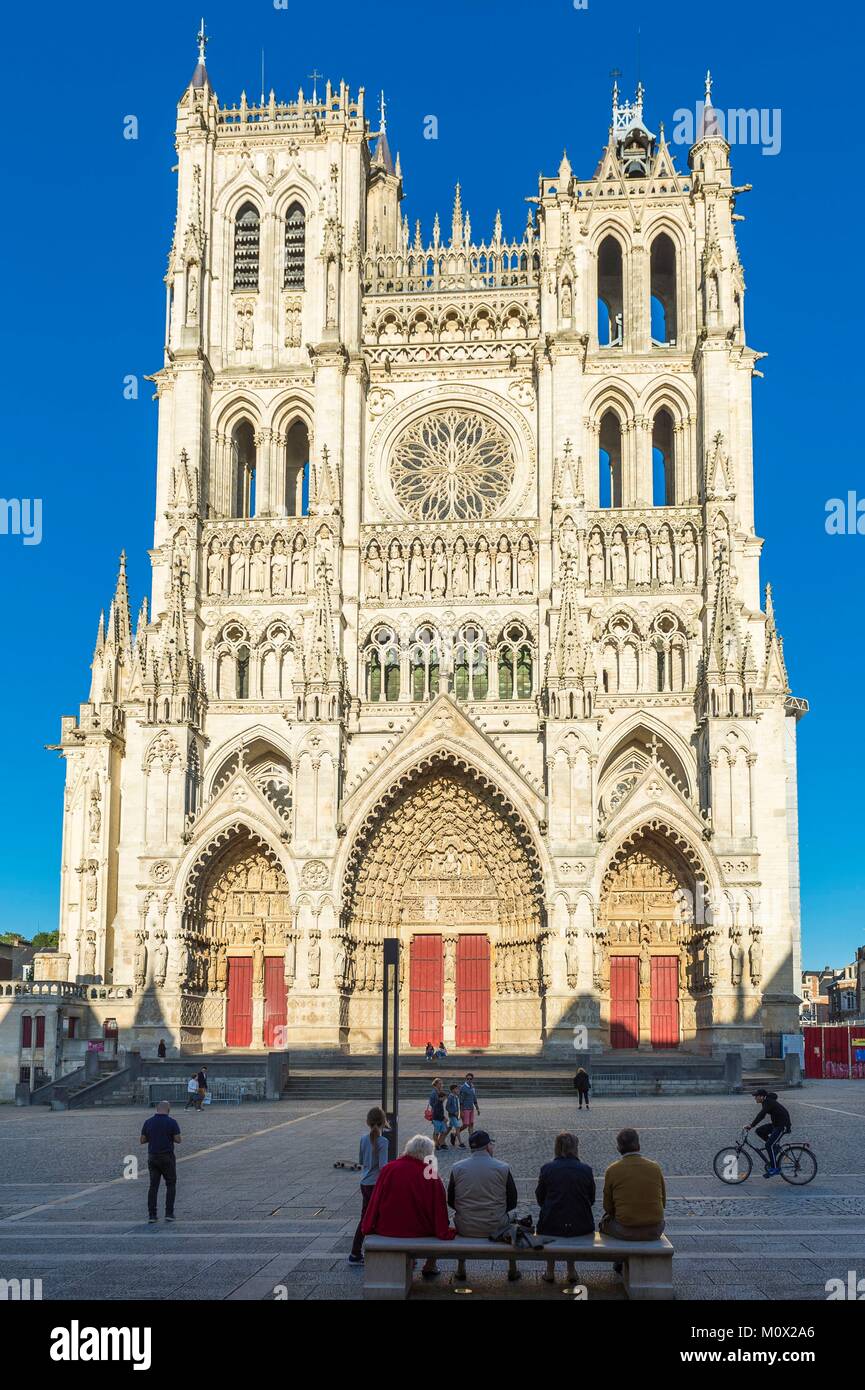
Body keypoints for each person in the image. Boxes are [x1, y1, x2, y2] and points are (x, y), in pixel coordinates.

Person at [361, 1133, 455, 1277]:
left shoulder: (389, 1169)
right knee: (438, 1225)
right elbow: (440, 1207)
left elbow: (376, 1199)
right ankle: (430, 1265)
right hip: (420, 1229)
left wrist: (369, 1224)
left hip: (388, 1227)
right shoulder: (430, 1174)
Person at [447, 1130, 519, 1282]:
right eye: (491, 1144)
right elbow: (512, 1201)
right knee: (514, 1219)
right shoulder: (503, 1167)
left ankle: (461, 1268)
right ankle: (512, 1268)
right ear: (487, 1147)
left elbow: (451, 1200)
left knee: (458, 1217)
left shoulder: (457, 1167)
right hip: (495, 1226)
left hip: (465, 1226)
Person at [600, 1127, 666, 1273]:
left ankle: (618, 1260)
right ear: (638, 1145)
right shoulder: (655, 1167)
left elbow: (608, 1207)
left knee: (603, 1223)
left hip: (625, 1230)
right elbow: (664, 1202)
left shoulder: (613, 1170)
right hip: (655, 1229)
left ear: (618, 1148)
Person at [536, 1132, 596, 1285]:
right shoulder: (586, 1170)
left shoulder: (547, 1169)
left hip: (551, 1226)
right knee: (572, 1215)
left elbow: (540, 1198)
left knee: (549, 1219)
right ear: (576, 1148)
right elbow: (591, 1199)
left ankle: (550, 1270)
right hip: (581, 1225)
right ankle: (571, 1270)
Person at [348, 1106, 390, 1266]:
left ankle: (355, 1252)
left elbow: (361, 1160)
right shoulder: (383, 1141)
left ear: (368, 1122)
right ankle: (380, 1250)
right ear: (383, 1121)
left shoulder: (363, 1139)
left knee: (365, 1217)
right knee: (381, 1217)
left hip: (364, 1182)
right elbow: (383, 1166)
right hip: (376, 1184)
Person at [139, 1100, 181, 1223]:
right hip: (167, 1156)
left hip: (152, 1156)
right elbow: (178, 1139)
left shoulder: (148, 1122)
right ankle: (169, 1213)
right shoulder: (172, 1122)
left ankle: (152, 1215)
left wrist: (153, 1138)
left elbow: (142, 1140)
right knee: (171, 1184)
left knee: (153, 1186)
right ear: (168, 1109)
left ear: (157, 1108)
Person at [746, 1088, 792, 1177]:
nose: (755, 1098)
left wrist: (751, 1125)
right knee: (759, 1131)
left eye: (756, 1096)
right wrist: (753, 1126)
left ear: (762, 1097)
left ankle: (775, 1168)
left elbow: (761, 1115)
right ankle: (774, 1146)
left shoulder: (768, 1102)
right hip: (776, 1124)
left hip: (782, 1126)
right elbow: (762, 1115)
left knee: (768, 1145)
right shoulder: (767, 1102)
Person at [458, 1073, 480, 1140]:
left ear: (472, 1079)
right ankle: (454, 1133)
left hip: (471, 1108)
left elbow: (474, 1098)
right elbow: (461, 1100)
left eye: (470, 1079)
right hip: (465, 1109)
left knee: (471, 1124)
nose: (469, 1080)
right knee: (465, 1124)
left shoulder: (472, 1087)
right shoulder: (463, 1088)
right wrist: (461, 1111)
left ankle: (471, 1139)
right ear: (466, 1079)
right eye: (468, 1079)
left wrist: (477, 1108)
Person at [429, 1077, 448, 1150]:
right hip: (436, 1115)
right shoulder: (434, 1092)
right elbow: (431, 1103)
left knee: (443, 1130)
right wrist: (436, 1107)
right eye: (440, 1083)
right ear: (435, 1084)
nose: (441, 1085)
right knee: (436, 1131)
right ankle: (436, 1144)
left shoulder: (439, 1091)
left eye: (441, 1084)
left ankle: (440, 1142)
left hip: (440, 1113)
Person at [445, 1083, 465, 1149]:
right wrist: (454, 1112)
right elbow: (447, 1107)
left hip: (456, 1116)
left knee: (449, 1128)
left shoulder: (456, 1097)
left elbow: (457, 1106)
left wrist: (459, 1113)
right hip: (452, 1115)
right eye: (457, 1089)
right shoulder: (450, 1097)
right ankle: (460, 1143)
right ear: (453, 1090)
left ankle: (441, 1139)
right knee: (458, 1127)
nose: (458, 1090)